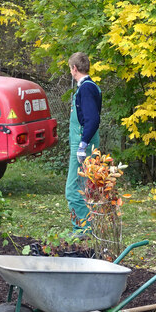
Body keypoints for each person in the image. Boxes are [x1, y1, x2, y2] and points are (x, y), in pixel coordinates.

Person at [65, 52, 102, 236]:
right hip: (85, 143)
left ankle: (84, 230)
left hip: (83, 145)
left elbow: (93, 119)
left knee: (73, 190)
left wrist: (82, 145)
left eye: (70, 69)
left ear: (74, 68)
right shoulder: (91, 86)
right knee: (86, 189)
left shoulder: (86, 89)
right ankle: (86, 229)